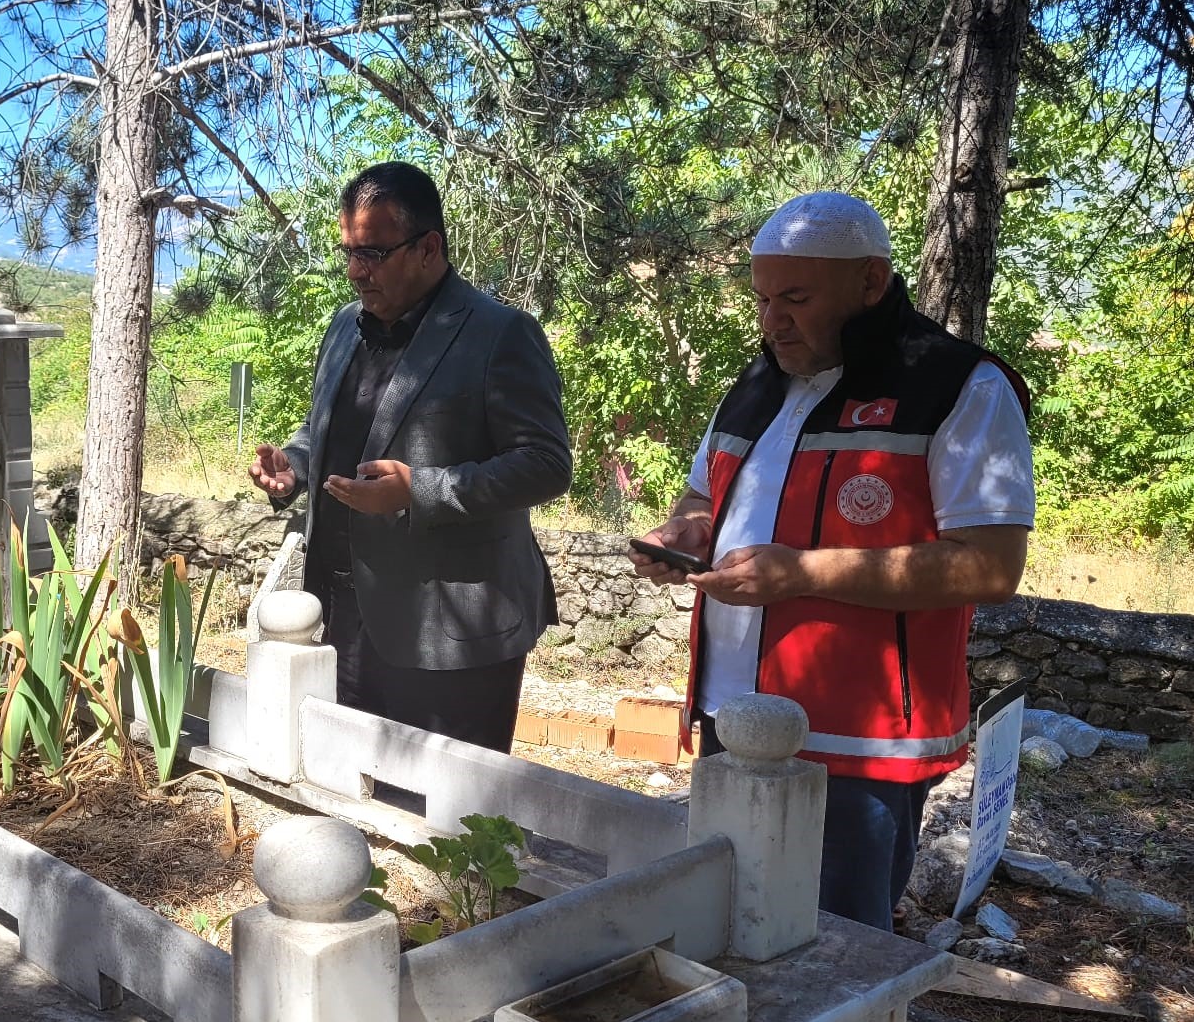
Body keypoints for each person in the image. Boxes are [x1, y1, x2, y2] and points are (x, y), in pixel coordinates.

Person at [630, 191, 1034, 931]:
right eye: (760, 298)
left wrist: (799, 573)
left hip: (858, 737)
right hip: (731, 713)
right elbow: (700, 495)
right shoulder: (757, 384)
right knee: (727, 917)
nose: (770, 321)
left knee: (839, 942)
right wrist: (682, 532)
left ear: (870, 283)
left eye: (794, 298)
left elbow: (989, 567)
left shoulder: (958, 387)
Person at [249, 162, 572, 751]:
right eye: (347, 251)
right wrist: (295, 465)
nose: (354, 271)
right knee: (350, 795)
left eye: (372, 253)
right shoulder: (344, 327)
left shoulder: (501, 333)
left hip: (451, 631)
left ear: (428, 248)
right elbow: (328, 430)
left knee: (450, 819)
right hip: (342, 617)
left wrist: (418, 488)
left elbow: (546, 463)